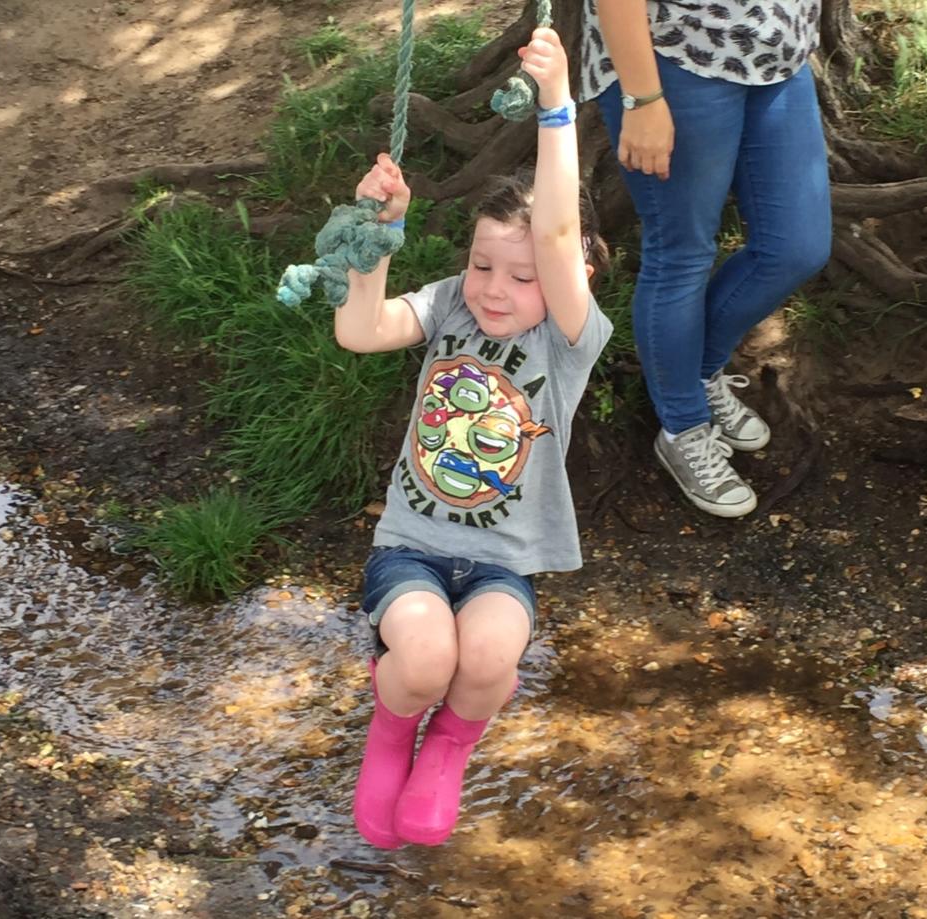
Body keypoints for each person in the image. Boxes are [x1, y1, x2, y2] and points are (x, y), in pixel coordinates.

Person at [336, 27, 612, 849]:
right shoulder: (452, 302)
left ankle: (450, 748)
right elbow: (361, 330)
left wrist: (558, 104)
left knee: (488, 657)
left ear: (572, 280)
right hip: (413, 549)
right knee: (423, 659)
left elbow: (558, 236)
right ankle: (391, 737)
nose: (495, 289)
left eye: (522, 276)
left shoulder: (567, 338)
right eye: (484, 265)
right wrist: (375, 243)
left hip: (503, 563)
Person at [580, 0, 832, 517]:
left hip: (779, 51)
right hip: (675, 50)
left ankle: (695, 372)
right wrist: (643, 96)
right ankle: (683, 426)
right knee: (681, 252)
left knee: (797, 247)